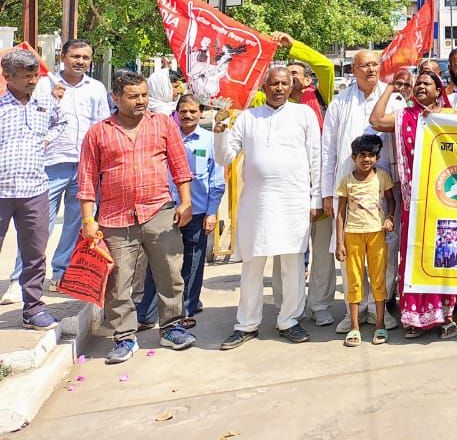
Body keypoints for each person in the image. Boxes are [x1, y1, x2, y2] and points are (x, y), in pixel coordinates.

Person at [78, 70, 195, 363]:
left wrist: (186, 202)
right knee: (118, 282)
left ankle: (171, 327)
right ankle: (124, 337)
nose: (141, 101)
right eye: (133, 96)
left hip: (159, 211)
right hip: (115, 218)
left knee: (170, 273)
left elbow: (180, 166)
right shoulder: (98, 133)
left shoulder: (163, 124)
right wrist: (88, 220)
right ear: (116, 98)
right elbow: (87, 180)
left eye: (144, 95)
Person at [215, 67, 320, 349]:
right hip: (257, 203)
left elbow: (315, 157)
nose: (279, 88)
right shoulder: (248, 118)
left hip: (293, 200)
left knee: (293, 265)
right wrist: (220, 130)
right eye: (274, 83)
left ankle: (289, 320)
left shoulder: (303, 114)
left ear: (291, 86)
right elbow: (224, 157)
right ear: (264, 86)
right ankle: (246, 324)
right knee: (253, 264)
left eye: (284, 83)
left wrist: (316, 198)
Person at [4, 39, 106, 306]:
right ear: (63, 57)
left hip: (84, 165)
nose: (80, 61)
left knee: (75, 223)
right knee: (37, 228)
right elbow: (25, 112)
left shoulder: (96, 88)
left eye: (85, 57)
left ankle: (61, 273)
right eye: (75, 56)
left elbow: (100, 125)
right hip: (48, 165)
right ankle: (18, 279)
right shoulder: (42, 83)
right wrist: (51, 100)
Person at [370, 70, 457, 339]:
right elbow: (375, 120)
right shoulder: (404, 117)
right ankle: (415, 317)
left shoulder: (449, 116)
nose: (420, 86)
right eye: (417, 83)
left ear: (438, 90)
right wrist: (390, 88)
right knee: (413, 255)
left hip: (443, 199)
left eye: (426, 83)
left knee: (442, 254)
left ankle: (445, 314)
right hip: (414, 201)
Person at [323, 50, 398, 334]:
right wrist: (326, 193)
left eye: (375, 64)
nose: (371, 70)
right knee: (350, 256)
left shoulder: (394, 98)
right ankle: (353, 309)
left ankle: (380, 308)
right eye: (364, 65)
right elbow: (328, 149)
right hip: (348, 190)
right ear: (353, 69)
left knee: (385, 255)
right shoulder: (340, 102)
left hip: (384, 189)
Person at [137, 94, 225, 329]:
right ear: (176, 113)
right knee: (158, 263)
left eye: (193, 111)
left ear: (201, 113)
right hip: (164, 211)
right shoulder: (164, 137)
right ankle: (147, 313)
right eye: (183, 111)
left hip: (197, 212)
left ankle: (185, 311)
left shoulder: (210, 141)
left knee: (192, 264)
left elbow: (217, 181)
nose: (187, 115)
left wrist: (212, 212)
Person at [270, 33, 338, 326]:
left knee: (322, 252)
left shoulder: (320, 97)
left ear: (309, 80)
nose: (289, 79)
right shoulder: (269, 103)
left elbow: (326, 66)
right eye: (285, 75)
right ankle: (286, 305)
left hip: (319, 185)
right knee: (285, 251)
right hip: (284, 191)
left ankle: (319, 304)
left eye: (295, 73)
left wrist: (292, 46)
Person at [0, 48, 65, 330]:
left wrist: (46, 141)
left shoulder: (45, 102)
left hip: (35, 190)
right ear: (7, 77)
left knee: (35, 254)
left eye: (35, 75)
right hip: (2, 190)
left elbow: (62, 122)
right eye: (26, 76)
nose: (33, 81)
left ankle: (34, 310)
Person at [336, 134, 395, 346]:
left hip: (377, 233)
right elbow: (340, 213)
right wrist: (340, 243)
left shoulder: (382, 177)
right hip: (353, 235)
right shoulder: (347, 181)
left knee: (378, 279)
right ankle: (354, 327)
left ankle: (380, 324)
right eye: (362, 155)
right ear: (354, 157)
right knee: (354, 280)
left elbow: (391, 201)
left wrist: (389, 218)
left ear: (377, 158)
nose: (366, 159)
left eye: (371, 155)